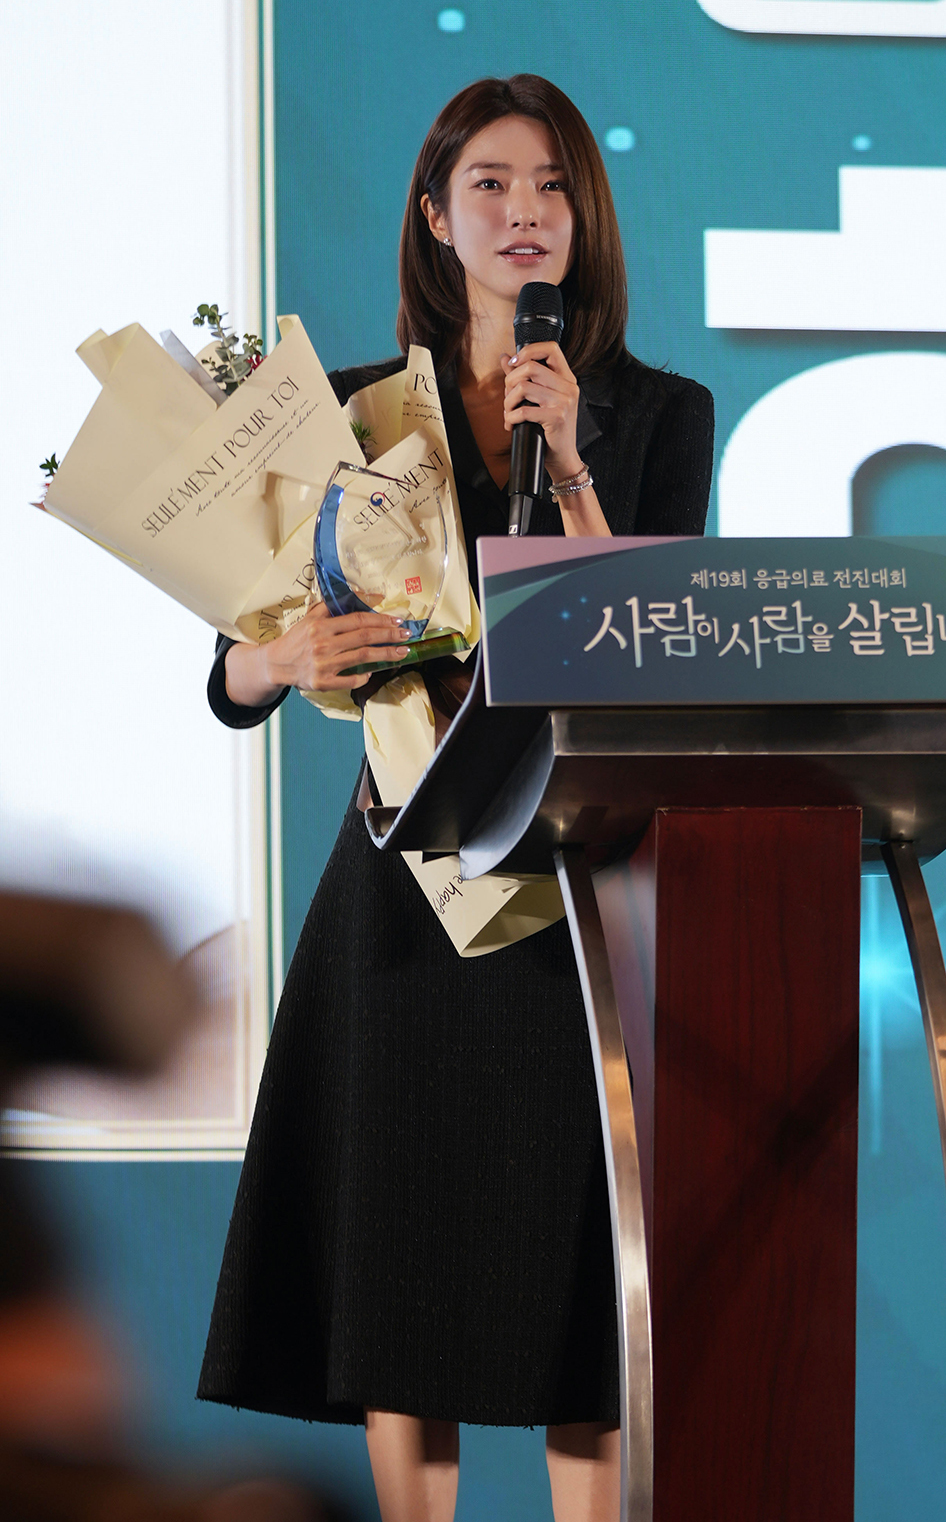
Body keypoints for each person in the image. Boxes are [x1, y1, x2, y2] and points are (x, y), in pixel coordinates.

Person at [198, 75, 714, 1522]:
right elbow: (232, 672)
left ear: (585, 218)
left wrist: (578, 466)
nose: (524, 212)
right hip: (405, 874)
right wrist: (281, 657)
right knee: (401, 1244)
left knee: (576, 1264)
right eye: (490, 183)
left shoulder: (658, 411)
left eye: (552, 186)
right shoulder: (353, 412)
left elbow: (659, 637)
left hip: (575, 880)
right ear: (436, 214)